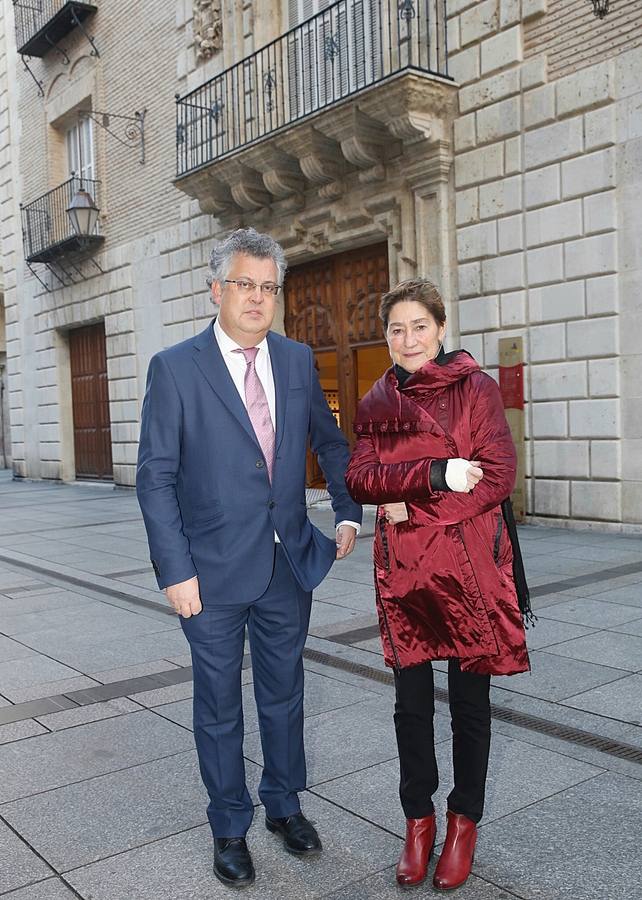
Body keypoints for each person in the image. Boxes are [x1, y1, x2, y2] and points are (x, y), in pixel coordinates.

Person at [136, 228, 362, 888]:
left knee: (284, 695)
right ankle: (228, 825)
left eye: (269, 287)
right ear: (216, 290)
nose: (258, 298)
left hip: (286, 565)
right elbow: (155, 477)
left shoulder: (294, 361)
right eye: (245, 285)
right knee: (218, 706)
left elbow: (331, 440)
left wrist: (347, 509)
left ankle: (284, 805)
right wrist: (175, 570)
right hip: (207, 573)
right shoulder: (176, 367)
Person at [345, 278, 530, 892]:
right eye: (396, 328)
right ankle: (418, 821)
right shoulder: (376, 401)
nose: (407, 339)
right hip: (404, 573)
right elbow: (360, 478)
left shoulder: (475, 389)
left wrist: (414, 505)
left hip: (469, 566)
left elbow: (497, 476)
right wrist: (433, 473)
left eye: (418, 326)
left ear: (441, 329)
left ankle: (462, 824)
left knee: (471, 708)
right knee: (410, 708)